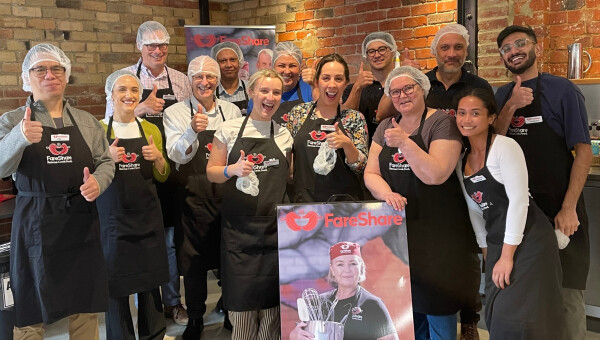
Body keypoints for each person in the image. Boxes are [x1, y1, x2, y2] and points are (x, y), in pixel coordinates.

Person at [0, 43, 114, 339]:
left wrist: (98, 183)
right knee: (30, 302)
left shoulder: (87, 122)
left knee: (84, 302)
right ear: (27, 77)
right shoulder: (12, 121)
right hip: (35, 223)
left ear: (66, 75)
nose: (49, 74)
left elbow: (105, 161)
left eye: (57, 68)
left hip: (80, 221)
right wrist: (19, 138)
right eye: (40, 69)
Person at [363, 66, 480, 340]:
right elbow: (371, 173)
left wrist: (405, 143)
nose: (402, 95)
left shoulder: (441, 122)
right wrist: (385, 194)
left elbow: (437, 173)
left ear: (422, 89)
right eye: (395, 91)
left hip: (438, 234)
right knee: (407, 308)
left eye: (408, 88)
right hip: (400, 234)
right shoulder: (384, 127)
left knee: (438, 307)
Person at [494, 25, 591, 340]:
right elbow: (492, 144)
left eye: (520, 44)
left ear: (536, 46)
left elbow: (584, 152)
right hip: (520, 215)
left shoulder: (563, 90)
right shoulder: (500, 95)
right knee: (528, 294)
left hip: (560, 210)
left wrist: (569, 207)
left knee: (567, 295)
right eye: (506, 48)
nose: (514, 51)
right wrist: (511, 105)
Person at [402, 23, 492, 340]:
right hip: (423, 181)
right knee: (431, 256)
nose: (451, 54)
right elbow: (392, 111)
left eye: (457, 48)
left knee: (465, 251)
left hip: (464, 178)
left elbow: (488, 128)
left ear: (465, 51)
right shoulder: (420, 83)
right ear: (435, 52)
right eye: (445, 48)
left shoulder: (478, 85)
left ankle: (468, 319)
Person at [455, 89, 563, 338]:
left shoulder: (505, 147)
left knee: (520, 317)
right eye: (461, 113)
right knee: (494, 312)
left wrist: (506, 256)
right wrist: (487, 255)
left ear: (491, 117)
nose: (466, 119)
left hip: (529, 241)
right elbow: (476, 212)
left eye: (475, 113)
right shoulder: (462, 160)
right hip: (497, 244)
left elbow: (518, 202)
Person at [105, 20, 191, 325]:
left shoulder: (181, 81)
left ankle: (170, 302)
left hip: (165, 168)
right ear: (139, 47)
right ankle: (124, 313)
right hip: (127, 174)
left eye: (163, 45)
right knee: (126, 244)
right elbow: (109, 122)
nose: (158, 50)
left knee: (166, 242)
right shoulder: (123, 79)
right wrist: (141, 108)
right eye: (152, 45)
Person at [206, 69, 293, 340]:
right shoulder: (229, 129)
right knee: (243, 310)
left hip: (275, 233)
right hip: (239, 234)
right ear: (252, 92)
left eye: (276, 92)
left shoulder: (285, 135)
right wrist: (231, 170)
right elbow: (211, 171)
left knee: (272, 310)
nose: (270, 97)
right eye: (264, 91)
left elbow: (288, 177)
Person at [164, 56, 242, 339]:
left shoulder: (232, 111)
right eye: (198, 77)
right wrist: (191, 131)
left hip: (227, 195)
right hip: (192, 197)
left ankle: (233, 313)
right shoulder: (174, 113)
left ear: (217, 80)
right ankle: (195, 318)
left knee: (228, 259)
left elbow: (237, 150)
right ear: (190, 80)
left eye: (210, 77)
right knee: (193, 262)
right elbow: (175, 156)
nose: (204, 82)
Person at [97, 70, 170, 340]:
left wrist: (158, 159)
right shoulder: (97, 129)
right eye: (122, 90)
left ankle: (154, 335)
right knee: (115, 285)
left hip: (147, 217)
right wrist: (106, 158)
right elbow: (88, 179)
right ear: (110, 95)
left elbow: (164, 175)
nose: (129, 95)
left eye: (133, 90)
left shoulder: (150, 129)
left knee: (150, 283)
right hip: (112, 220)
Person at [286, 53, 368, 203]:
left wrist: (347, 144)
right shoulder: (298, 113)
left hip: (344, 205)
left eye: (338, 79)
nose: (332, 84)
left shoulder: (354, 118)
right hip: (304, 203)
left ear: (346, 83)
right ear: (316, 81)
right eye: (326, 78)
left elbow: (360, 167)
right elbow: (289, 155)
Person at [290, 242, 398, 340]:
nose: (347, 270)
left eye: (353, 263)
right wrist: (294, 336)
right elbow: (304, 332)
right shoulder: (319, 302)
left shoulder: (372, 304)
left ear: (360, 267)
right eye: (340, 264)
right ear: (332, 269)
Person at [342, 32, 397, 142]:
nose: (377, 55)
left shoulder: (401, 86)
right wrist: (357, 87)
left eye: (382, 49)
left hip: (398, 151)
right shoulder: (354, 88)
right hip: (363, 152)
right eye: (371, 51)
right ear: (366, 56)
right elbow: (345, 121)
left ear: (392, 51)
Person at [247, 42, 317, 125]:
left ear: (300, 68)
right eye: (281, 66)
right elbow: (251, 126)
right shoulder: (260, 94)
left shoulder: (309, 88)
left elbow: (324, 117)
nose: (287, 71)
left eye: (292, 66)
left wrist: (316, 85)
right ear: (273, 67)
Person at [212, 41, 250, 114]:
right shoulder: (211, 93)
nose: (229, 65)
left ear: (239, 62)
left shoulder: (252, 89)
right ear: (216, 64)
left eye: (232, 60)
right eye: (223, 61)